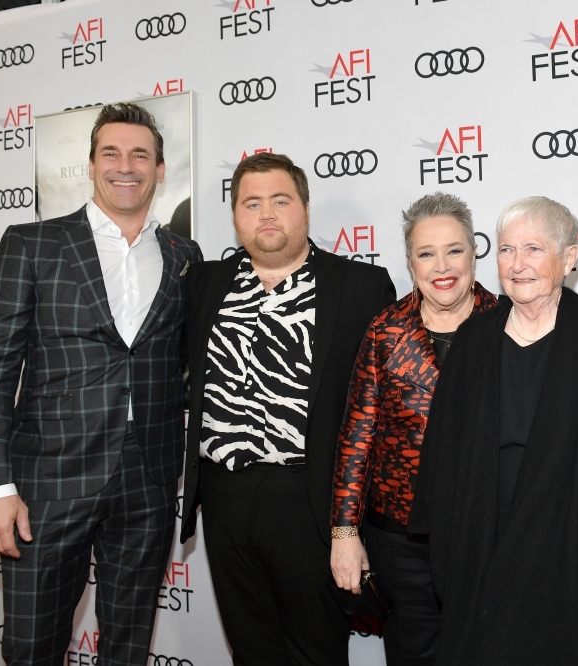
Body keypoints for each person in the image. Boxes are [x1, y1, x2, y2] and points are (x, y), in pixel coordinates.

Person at [0, 103, 202, 665]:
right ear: (92, 164)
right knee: (31, 646)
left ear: (161, 169)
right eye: (112, 153)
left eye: (140, 154)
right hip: (47, 481)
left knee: (128, 645)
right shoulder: (31, 243)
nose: (127, 165)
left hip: (147, 481)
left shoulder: (184, 256)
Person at [408, 196, 578, 665]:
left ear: (570, 257)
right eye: (506, 250)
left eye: (533, 249)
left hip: (575, 535)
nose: (517, 265)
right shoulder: (476, 338)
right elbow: (445, 456)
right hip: (486, 529)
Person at [179, 152, 395, 664]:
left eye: (281, 200)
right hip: (224, 495)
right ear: (236, 216)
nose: (267, 214)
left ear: (305, 208)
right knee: (250, 648)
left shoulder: (360, 286)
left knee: (316, 649)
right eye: (252, 203)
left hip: (308, 497)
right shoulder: (204, 284)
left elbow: (387, 396)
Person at [329, 192, 500, 665]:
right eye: (427, 254)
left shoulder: (508, 324)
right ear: (409, 263)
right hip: (401, 544)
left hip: (489, 534)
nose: (442, 266)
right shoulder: (386, 332)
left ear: (474, 251)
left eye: (454, 250)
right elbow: (356, 438)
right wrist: (344, 534)